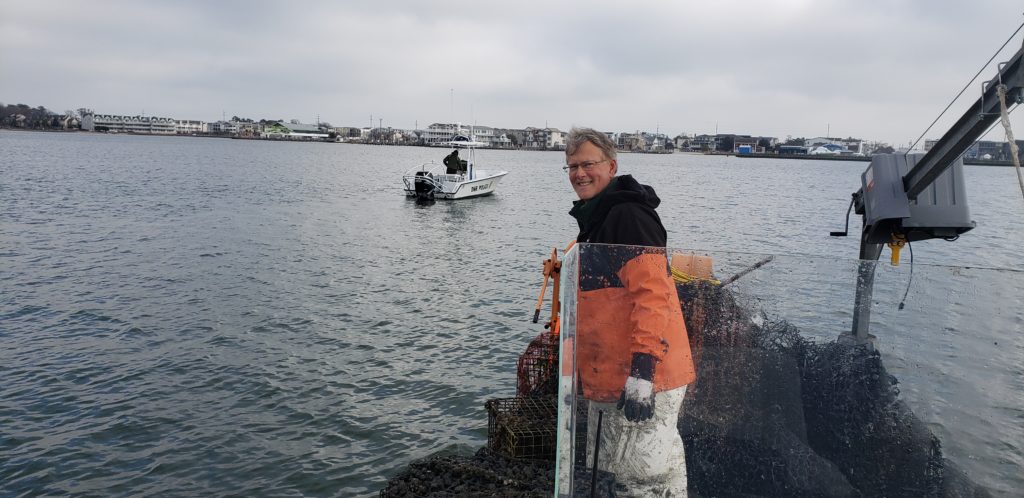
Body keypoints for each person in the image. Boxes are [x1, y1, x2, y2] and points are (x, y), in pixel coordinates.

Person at [564, 127, 695, 496]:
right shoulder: (598, 218)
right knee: (658, 474)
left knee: (634, 481)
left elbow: (653, 295)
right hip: (616, 379)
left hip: (641, 379)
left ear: (611, 166)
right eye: (572, 166)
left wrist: (642, 373)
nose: (579, 174)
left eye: (588, 164)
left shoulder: (626, 217)